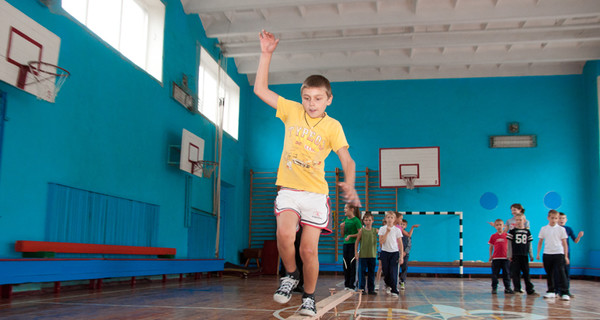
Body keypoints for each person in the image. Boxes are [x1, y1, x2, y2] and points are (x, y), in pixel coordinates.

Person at [254, 30, 361, 317]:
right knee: (285, 234)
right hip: (289, 189)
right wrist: (266, 54)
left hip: (315, 195)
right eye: (307, 98)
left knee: (308, 251)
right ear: (301, 98)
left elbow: (347, 159)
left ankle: (309, 297)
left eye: (318, 98)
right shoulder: (291, 111)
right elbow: (260, 91)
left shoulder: (333, 127)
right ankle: (290, 275)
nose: (311, 103)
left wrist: (350, 184)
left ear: (329, 99)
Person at [536, 210, 570, 301]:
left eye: (556, 218)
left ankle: (565, 292)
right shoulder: (544, 228)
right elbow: (540, 242)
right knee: (549, 273)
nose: (554, 220)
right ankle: (551, 291)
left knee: (561, 272)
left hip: (559, 253)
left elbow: (564, 243)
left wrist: (566, 256)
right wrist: (538, 253)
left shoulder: (561, 229)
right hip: (547, 254)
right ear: (548, 218)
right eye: (552, 218)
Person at [506, 213, 536, 295]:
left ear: (524, 220)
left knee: (526, 273)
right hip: (515, 255)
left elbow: (530, 244)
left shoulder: (527, 232)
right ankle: (517, 289)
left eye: (520, 220)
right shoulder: (512, 231)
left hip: (524, 255)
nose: (519, 221)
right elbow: (509, 244)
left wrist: (531, 255)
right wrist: (509, 255)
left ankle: (530, 290)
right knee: (515, 273)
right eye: (517, 220)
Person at [556, 212, 584, 295]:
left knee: (566, 272)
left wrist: (579, 236)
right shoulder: (555, 228)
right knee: (557, 272)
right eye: (560, 218)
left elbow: (575, 241)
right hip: (557, 253)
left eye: (563, 218)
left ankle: (565, 291)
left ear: (566, 220)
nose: (562, 220)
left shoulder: (568, 229)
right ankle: (556, 290)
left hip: (566, 253)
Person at [378, 211, 404, 297]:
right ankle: (388, 285)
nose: (390, 219)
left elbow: (400, 243)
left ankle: (394, 290)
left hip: (394, 253)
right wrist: (387, 232)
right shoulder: (382, 229)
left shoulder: (397, 230)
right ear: (385, 219)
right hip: (385, 252)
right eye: (388, 217)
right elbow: (381, 241)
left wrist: (401, 256)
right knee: (386, 271)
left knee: (394, 271)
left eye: (391, 217)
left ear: (394, 219)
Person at [354, 212, 378, 295]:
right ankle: (361, 289)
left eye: (369, 220)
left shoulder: (375, 231)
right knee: (362, 273)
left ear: (373, 221)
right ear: (363, 221)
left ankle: (371, 289)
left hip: (372, 255)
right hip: (363, 255)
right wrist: (356, 253)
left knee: (371, 273)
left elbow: (383, 236)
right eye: (366, 220)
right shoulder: (362, 230)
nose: (368, 221)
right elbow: (357, 241)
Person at [488, 219, 513, 294]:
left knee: (506, 274)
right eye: (497, 225)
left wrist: (511, 255)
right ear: (495, 226)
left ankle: (507, 288)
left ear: (503, 226)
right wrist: (490, 255)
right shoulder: (493, 236)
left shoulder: (507, 235)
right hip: (496, 258)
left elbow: (510, 246)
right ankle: (494, 288)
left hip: (506, 258)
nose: (499, 226)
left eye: (500, 225)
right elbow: (491, 247)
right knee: (495, 274)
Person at [341, 203, 361, 290]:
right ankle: (346, 284)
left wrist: (351, 236)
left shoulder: (356, 220)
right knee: (345, 264)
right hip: (346, 245)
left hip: (353, 244)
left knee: (352, 264)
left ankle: (352, 284)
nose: (344, 210)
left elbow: (360, 233)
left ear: (352, 209)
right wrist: (342, 228)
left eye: (346, 208)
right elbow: (343, 235)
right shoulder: (345, 220)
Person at [399, 218, 419, 290]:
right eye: (401, 224)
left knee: (404, 267)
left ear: (406, 226)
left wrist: (405, 252)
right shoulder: (397, 233)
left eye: (403, 225)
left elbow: (409, 245)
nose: (402, 225)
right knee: (395, 268)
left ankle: (402, 281)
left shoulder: (407, 235)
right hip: (397, 253)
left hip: (405, 254)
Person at [374, 218, 386, 291]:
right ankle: (377, 284)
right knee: (380, 267)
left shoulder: (391, 230)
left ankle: (386, 284)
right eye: (384, 222)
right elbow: (381, 242)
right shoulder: (381, 230)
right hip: (381, 251)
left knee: (387, 268)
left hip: (388, 251)